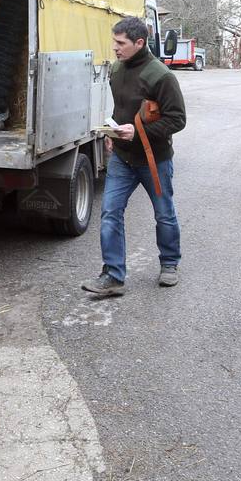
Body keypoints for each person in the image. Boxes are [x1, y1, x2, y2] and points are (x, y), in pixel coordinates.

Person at [82, 16, 187, 297]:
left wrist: (139, 133)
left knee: (164, 214)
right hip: (122, 158)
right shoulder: (116, 69)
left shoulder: (161, 75)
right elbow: (121, 110)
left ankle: (169, 264)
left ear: (139, 43)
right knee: (110, 213)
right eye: (114, 41)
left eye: (120, 43)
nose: (115, 48)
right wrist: (112, 132)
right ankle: (113, 276)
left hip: (155, 160)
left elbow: (177, 120)